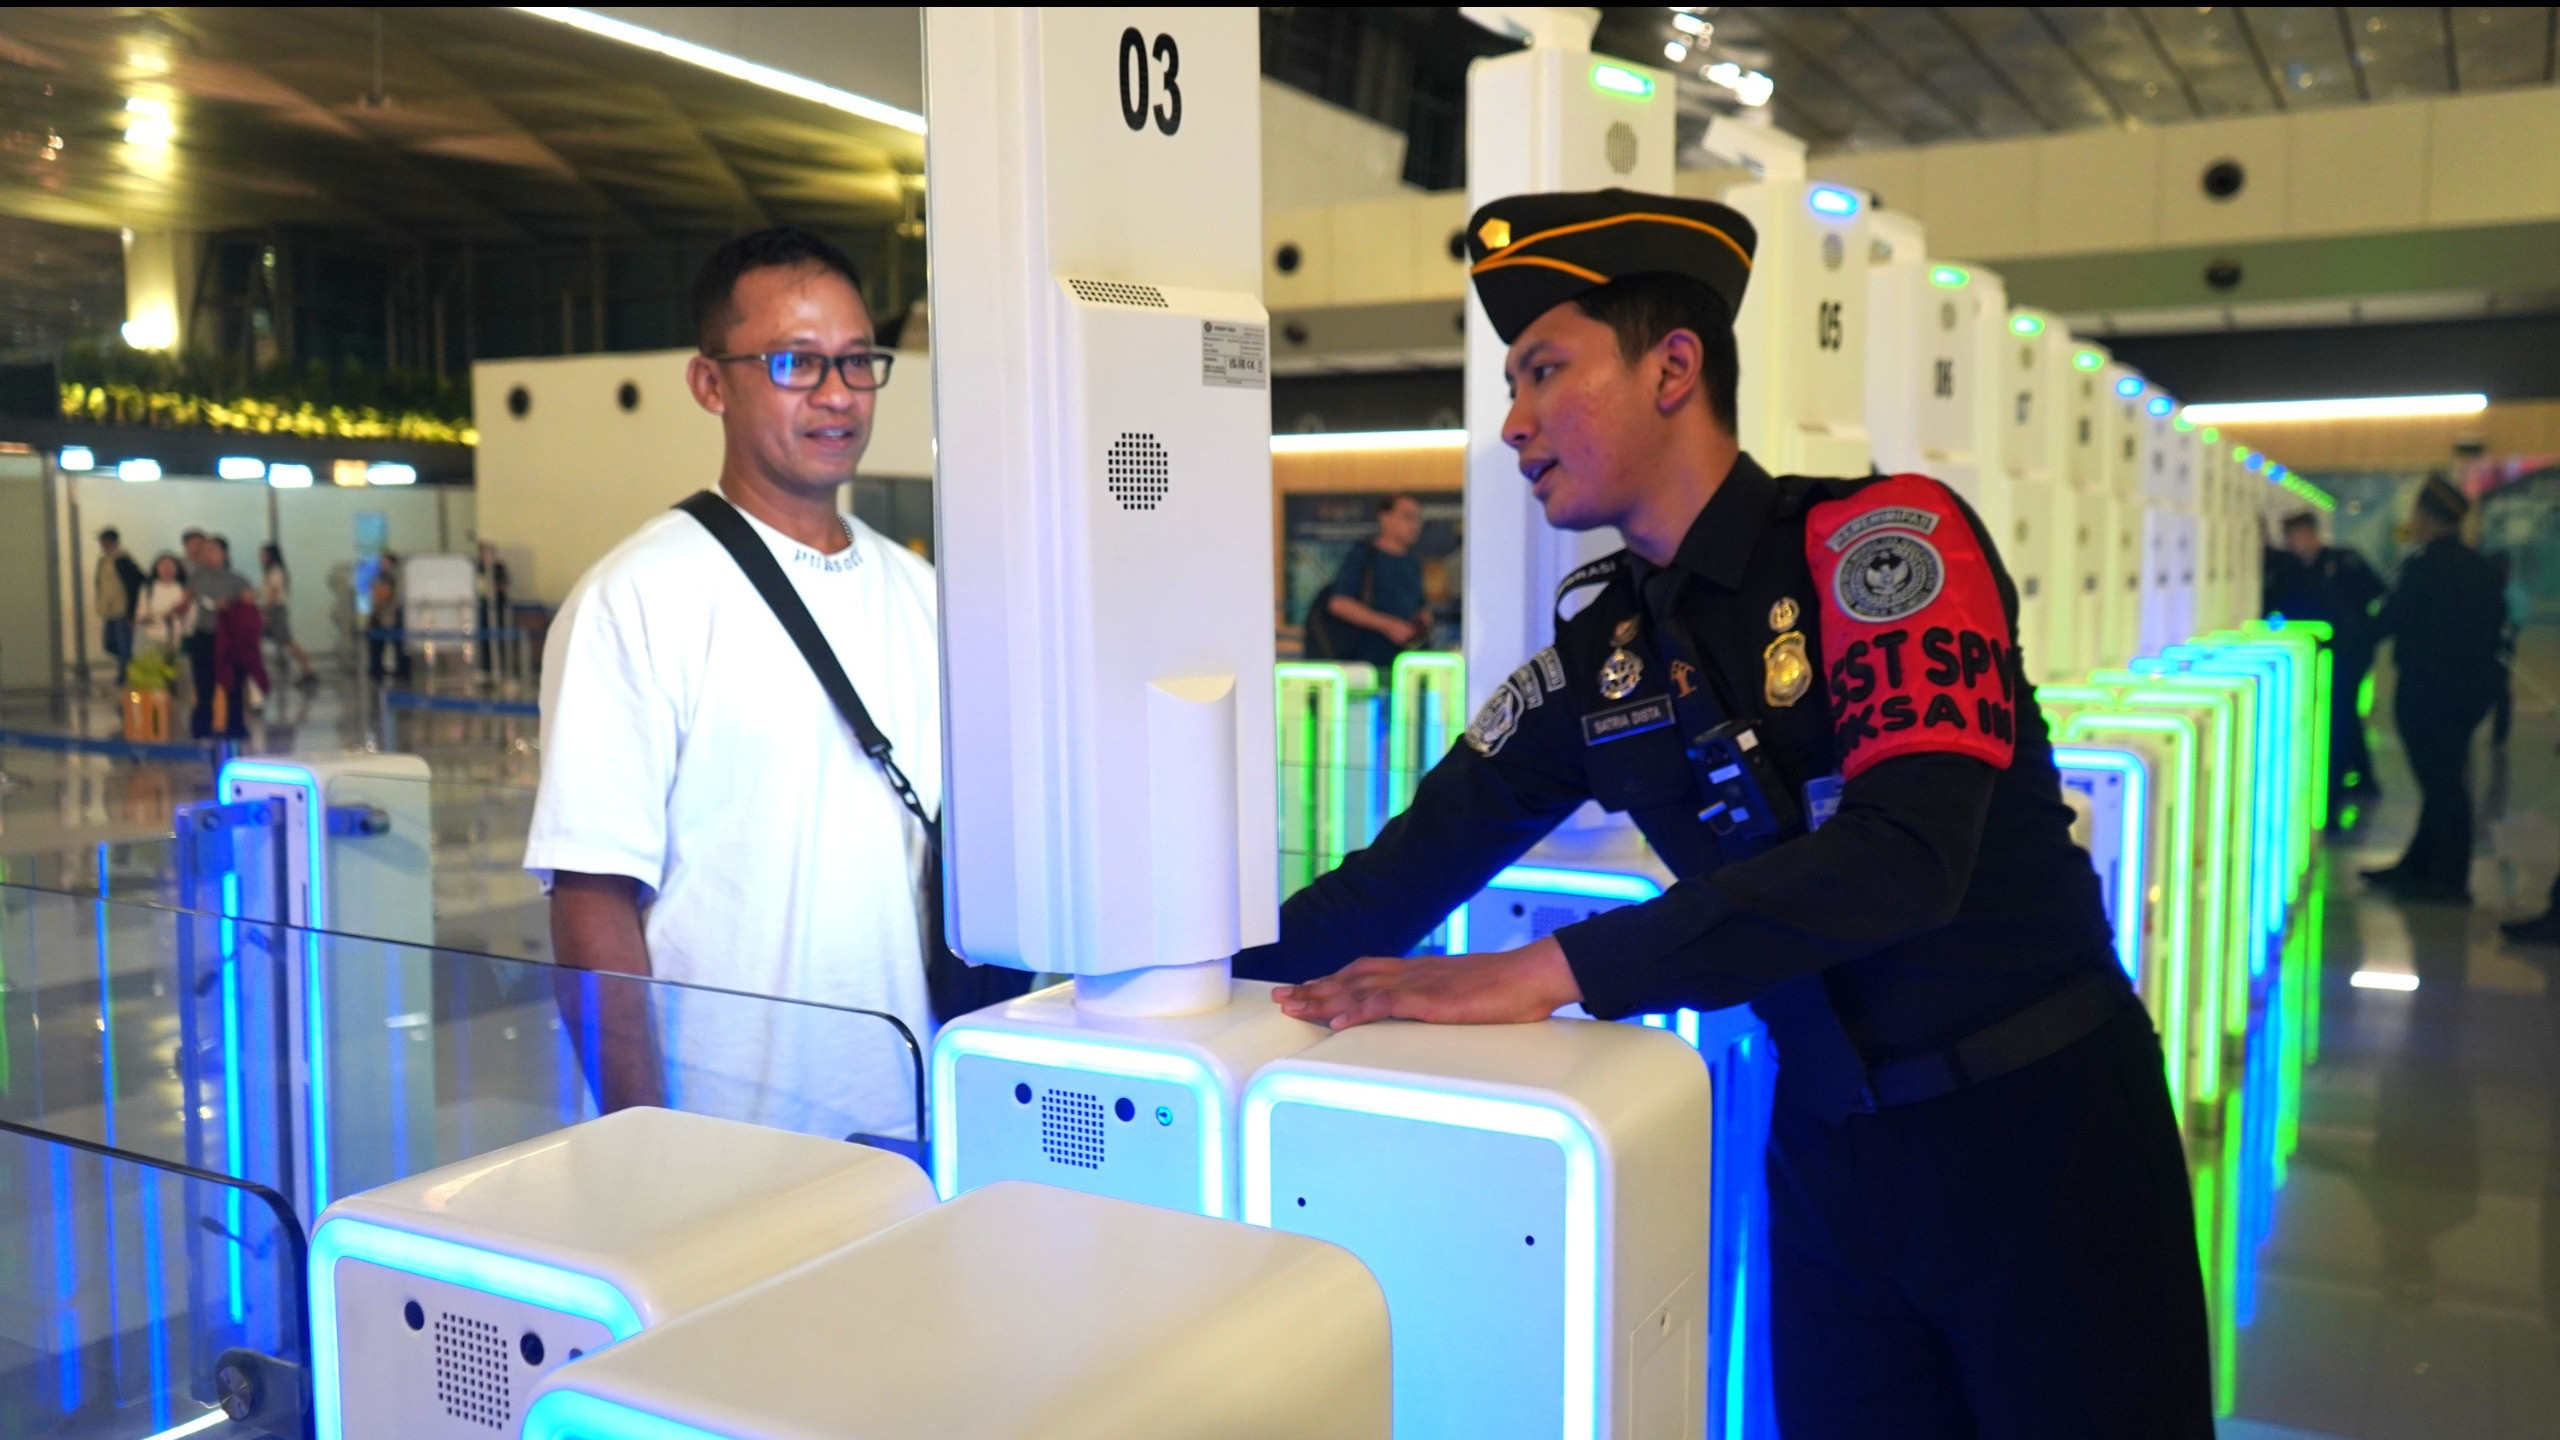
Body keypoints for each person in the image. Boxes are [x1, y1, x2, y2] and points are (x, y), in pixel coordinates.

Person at [1239, 189, 2212, 1438]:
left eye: (1543, 371)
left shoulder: (1883, 544)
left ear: (1672, 367)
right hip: (1822, 1156)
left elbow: (1904, 854)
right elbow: (1398, 877)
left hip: (2040, 1138)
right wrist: (1156, 975)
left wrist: (1556, 967)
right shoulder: (1603, 653)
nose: (1513, 422)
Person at [525, 225, 942, 1142]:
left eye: (856, 361)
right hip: (732, 1135)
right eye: (795, 363)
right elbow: (593, 904)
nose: (836, 395)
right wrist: (653, 1147)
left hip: (917, 1119)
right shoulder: (636, 600)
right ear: (709, 381)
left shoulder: (926, 598)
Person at [2361, 476, 2505, 904]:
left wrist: (2340, 634)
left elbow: (2387, 622)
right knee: (2443, 778)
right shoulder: (2478, 567)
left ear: (2426, 516)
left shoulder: (2425, 567)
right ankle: (2420, 865)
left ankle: (2448, 879)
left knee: (2442, 783)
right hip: (2469, 692)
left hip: (2428, 691)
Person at [2265, 511, 2386, 810]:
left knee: (2340, 715)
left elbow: (2376, 591)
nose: (2290, 544)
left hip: (2347, 651)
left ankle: (2337, 791)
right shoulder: (2293, 568)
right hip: (2321, 654)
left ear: (2308, 534)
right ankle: (2360, 779)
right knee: (2343, 716)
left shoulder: (2343, 562)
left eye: (2293, 537)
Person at [1316, 494, 1432, 667]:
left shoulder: (1412, 562)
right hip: (1365, 662)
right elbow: (1339, 603)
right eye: (1407, 517)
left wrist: (1422, 620)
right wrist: (1388, 625)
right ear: (1385, 518)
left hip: (1405, 662)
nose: (1414, 525)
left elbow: (1418, 605)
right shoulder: (1363, 556)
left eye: (1417, 519)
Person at [185, 535, 253, 738]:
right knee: (204, 684)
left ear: (223, 554)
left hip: (230, 638)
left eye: (212, 550)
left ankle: (235, 726)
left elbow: (248, 603)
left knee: (233, 685)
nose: (208, 555)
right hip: (204, 635)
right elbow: (191, 598)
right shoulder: (196, 577)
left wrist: (233, 605)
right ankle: (202, 727)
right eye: (204, 551)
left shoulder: (237, 579)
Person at [259, 543, 317, 688]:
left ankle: (308, 670)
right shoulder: (271, 572)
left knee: (288, 642)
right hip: (273, 609)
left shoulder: (275, 572)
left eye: (263, 554)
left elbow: (273, 594)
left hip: (275, 611)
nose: (261, 557)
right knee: (283, 641)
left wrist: (264, 611)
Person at [93, 528, 144, 685]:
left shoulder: (123, 560)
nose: (103, 544)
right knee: (109, 643)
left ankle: (125, 674)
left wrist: (132, 611)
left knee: (123, 644)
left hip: (123, 609)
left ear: (113, 542)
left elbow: (137, 582)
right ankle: (129, 665)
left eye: (105, 541)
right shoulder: (103, 560)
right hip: (109, 610)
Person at [133, 553, 193, 664]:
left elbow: (191, 616)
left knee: (179, 675)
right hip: (153, 638)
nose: (167, 570)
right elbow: (140, 613)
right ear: (156, 568)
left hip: (179, 641)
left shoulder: (184, 589)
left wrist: (179, 616)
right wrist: (146, 618)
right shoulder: (148, 589)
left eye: (171, 566)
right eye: (163, 566)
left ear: (178, 569)